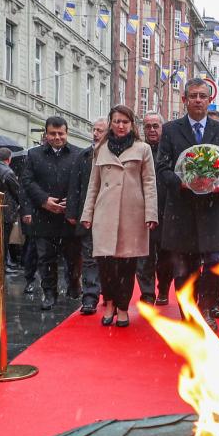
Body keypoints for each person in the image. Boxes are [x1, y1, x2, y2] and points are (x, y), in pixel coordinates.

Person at [156, 78, 219, 330]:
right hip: (181, 211)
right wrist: (184, 183)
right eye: (193, 96)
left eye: (203, 96)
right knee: (183, 269)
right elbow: (163, 169)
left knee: (214, 264)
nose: (198, 100)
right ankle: (188, 313)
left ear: (209, 100)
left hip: (212, 211)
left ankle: (205, 310)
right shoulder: (170, 130)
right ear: (184, 100)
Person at [79, 105, 157, 327]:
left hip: (132, 214)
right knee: (105, 264)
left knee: (126, 266)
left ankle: (123, 307)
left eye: (125, 121)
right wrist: (88, 213)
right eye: (116, 121)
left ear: (132, 124)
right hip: (105, 213)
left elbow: (149, 183)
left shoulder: (143, 149)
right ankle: (110, 302)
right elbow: (93, 185)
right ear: (110, 123)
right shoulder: (100, 149)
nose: (120, 125)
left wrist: (151, 213)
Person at [21, 116, 79, 311]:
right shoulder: (34, 155)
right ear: (46, 134)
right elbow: (27, 181)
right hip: (43, 215)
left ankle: (73, 287)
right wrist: (44, 200)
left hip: (68, 216)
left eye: (61, 133)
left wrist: (70, 201)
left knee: (72, 257)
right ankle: (49, 293)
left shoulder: (77, 155)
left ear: (66, 133)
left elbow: (82, 183)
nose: (57, 137)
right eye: (53, 134)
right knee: (45, 258)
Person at [64, 117, 106, 314]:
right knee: (88, 257)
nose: (96, 133)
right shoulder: (84, 156)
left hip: (108, 215)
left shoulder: (115, 154)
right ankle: (89, 297)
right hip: (87, 214)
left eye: (100, 130)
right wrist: (72, 212)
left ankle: (108, 291)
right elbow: (75, 186)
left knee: (108, 257)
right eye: (94, 129)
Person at [135, 111, 172, 305]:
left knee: (166, 257)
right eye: (147, 126)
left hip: (167, 211)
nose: (151, 130)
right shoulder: (138, 150)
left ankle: (164, 288)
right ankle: (147, 293)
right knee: (144, 256)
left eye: (155, 126)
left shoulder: (169, 149)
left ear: (162, 128)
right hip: (142, 212)